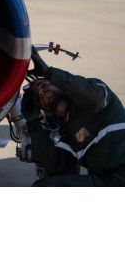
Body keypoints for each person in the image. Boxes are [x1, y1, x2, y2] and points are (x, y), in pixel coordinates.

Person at [20, 47, 125, 186]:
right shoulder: (67, 136)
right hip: (108, 182)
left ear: (59, 85)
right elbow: (56, 165)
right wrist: (33, 122)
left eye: (44, 84)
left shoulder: (99, 97)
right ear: (47, 111)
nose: (42, 92)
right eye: (39, 98)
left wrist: (49, 73)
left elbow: (94, 97)